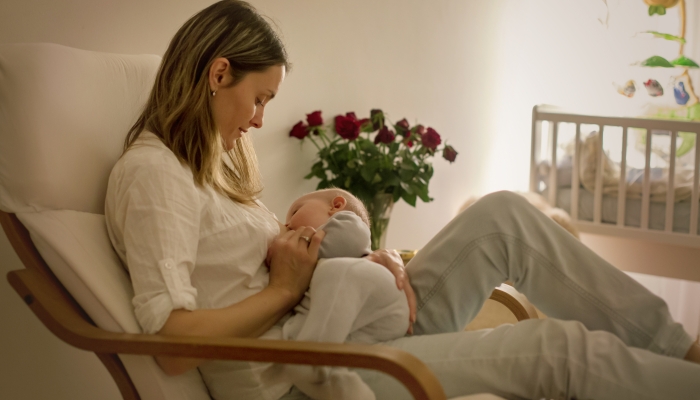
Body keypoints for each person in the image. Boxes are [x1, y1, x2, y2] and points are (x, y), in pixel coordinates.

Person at [104, 1, 700, 400]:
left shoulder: (210, 171)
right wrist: (287, 290)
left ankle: (682, 350)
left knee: (503, 216)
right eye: (259, 98)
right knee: (559, 348)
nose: (260, 120)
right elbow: (172, 343)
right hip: (312, 373)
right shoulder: (155, 176)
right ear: (218, 73)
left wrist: (371, 261)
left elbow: (283, 255)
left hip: (346, 324)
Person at [261, 188, 408, 400]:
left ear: (336, 206)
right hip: (353, 326)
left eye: (294, 212)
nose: (287, 224)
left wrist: (290, 250)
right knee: (301, 333)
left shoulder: (348, 224)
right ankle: (341, 387)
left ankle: (307, 363)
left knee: (334, 272)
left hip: (378, 305)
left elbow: (345, 242)